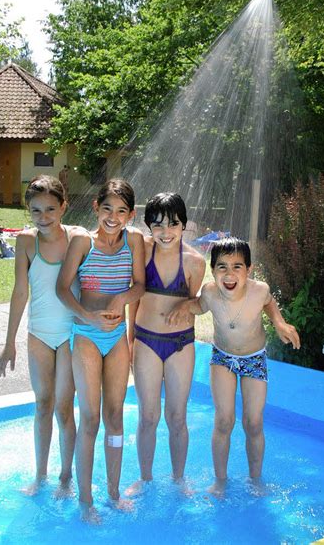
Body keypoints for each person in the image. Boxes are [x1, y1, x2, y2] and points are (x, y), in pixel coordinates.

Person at [168, 237, 300, 495]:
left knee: (253, 422)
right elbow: (198, 306)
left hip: (254, 359)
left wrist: (279, 323)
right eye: (222, 267)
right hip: (223, 358)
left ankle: (255, 479)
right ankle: (220, 480)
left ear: (248, 270)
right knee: (224, 421)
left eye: (237, 267)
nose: (229, 274)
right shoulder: (209, 293)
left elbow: (269, 304)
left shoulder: (259, 290)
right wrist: (184, 305)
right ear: (213, 269)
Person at [56, 178, 145, 522]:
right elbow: (63, 288)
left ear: (130, 215)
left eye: (122, 211)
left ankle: (112, 491)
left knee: (115, 417)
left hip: (117, 336)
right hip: (87, 335)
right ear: (96, 207)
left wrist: (122, 297)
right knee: (90, 418)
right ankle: (86, 501)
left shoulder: (133, 241)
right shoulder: (83, 242)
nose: (113, 216)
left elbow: (140, 285)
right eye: (107, 208)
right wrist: (88, 316)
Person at [0, 175, 82, 498]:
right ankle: (41, 475)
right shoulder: (25, 242)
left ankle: (66, 478)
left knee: (64, 407)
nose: (43, 217)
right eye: (36, 211)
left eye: (50, 209)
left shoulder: (77, 239)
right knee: (43, 403)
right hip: (39, 335)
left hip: (71, 334)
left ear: (64, 206)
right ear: (28, 211)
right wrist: (9, 342)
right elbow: (20, 292)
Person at [126, 193, 205, 496]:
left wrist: (187, 307)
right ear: (148, 227)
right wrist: (131, 339)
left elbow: (196, 302)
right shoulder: (143, 252)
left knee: (177, 416)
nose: (165, 232)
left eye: (173, 224)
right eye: (157, 225)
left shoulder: (195, 262)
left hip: (180, 344)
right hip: (146, 340)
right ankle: (145, 478)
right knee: (148, 415)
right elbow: (135, 296)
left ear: (184, 225)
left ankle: (178, 478)